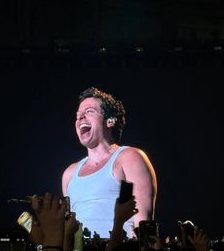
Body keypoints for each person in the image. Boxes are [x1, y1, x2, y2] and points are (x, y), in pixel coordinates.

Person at [62, 87, 157, 239]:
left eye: (89, 111)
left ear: (110, 120)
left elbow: (144, 225)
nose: (80, 118)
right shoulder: (69, 174)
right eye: (78, 115)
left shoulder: (130, 158)